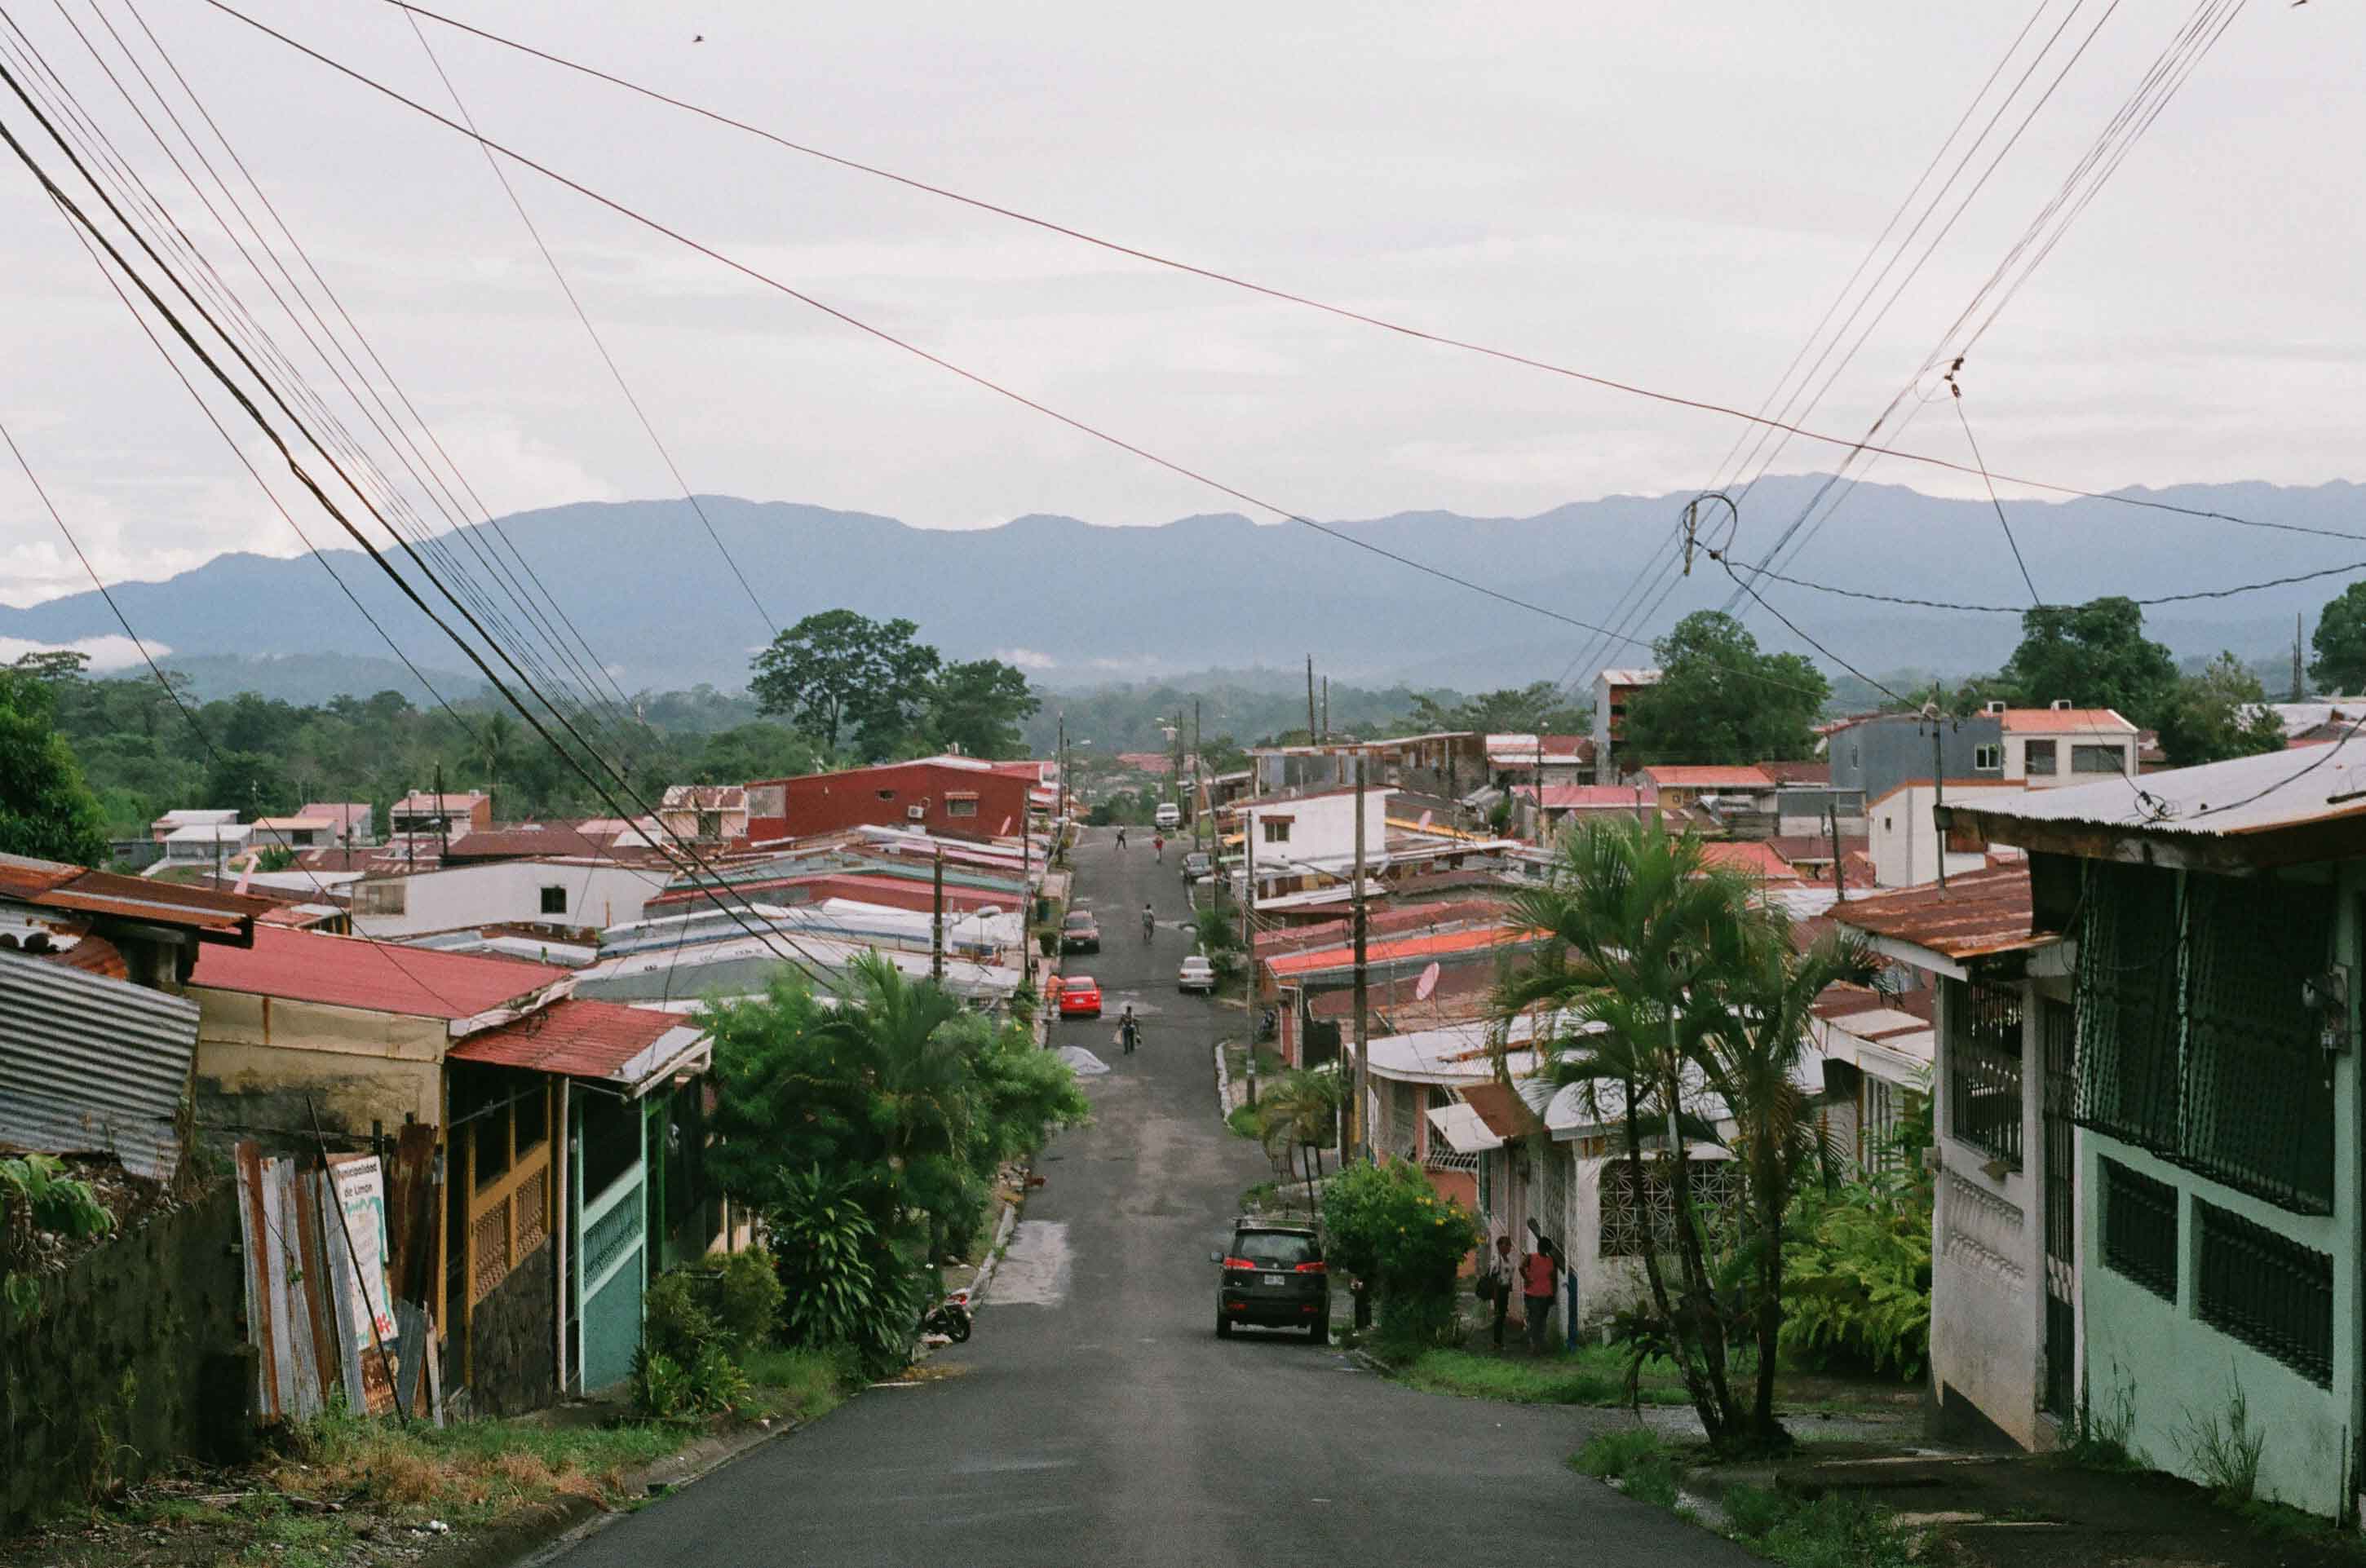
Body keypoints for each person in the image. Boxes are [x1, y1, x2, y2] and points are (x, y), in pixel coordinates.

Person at [1521, 1235, 1560, 1354]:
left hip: (1535, 1294)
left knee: (1537, 1320)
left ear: (1538, 1246)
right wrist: (1553, 1293)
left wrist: (1527, 1279)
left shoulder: (1531, 1257)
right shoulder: (1549, 1261)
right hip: (1541, 1295)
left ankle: (1536, 1344)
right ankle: (1536, 1344)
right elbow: (1554, 1279)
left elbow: (1521, 1267)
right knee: (1539, 1320)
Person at [1486, 1235, 1516, 1350]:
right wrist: (1495, 1296)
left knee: (1502, 1316)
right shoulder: (1497, 1259)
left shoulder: (1508, 1259)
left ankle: (1499, 1342)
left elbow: (1508, 1275)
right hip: (1498, 1290)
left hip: (1505, 1290)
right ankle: (1496, 1342)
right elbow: (1493, 1278)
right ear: (1499, 1245)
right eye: (1505, 1244)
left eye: (1509, 1244)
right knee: (1499, 1317)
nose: (1508, 1247)